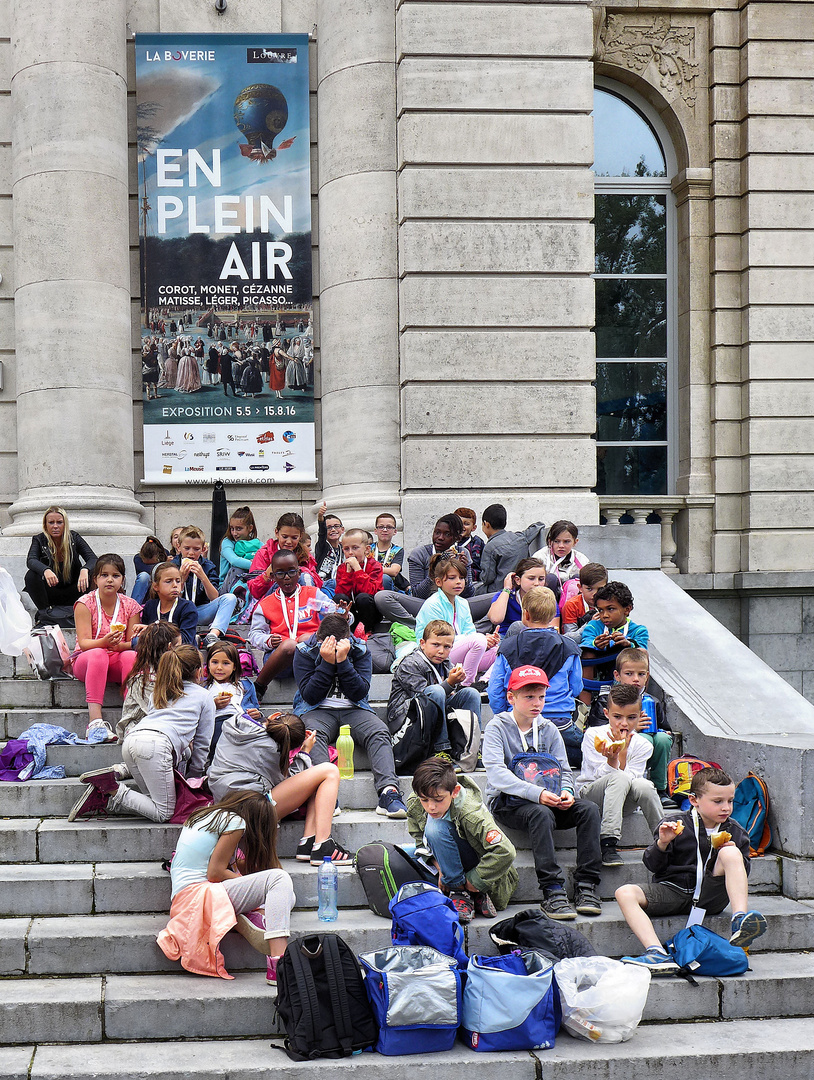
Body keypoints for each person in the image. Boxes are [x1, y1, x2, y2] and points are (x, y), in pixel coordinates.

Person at [617, 766, 767, 974]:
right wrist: (662, 843)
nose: (726, 808)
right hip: (673, 890)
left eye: (730, 801)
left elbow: (742, 873)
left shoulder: (735, 831)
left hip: (710, 896)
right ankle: (656, 952)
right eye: (718, 801)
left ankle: (739, 919)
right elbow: (652, 865)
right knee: (624, 892)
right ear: (694, 800)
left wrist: (732, 854)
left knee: (732, 855)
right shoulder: (673, 824)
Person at [482, 665, 602, 920]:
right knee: (540, 813)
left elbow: (564, 769)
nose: (537, 703)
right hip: (509, 803)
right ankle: (552, 890)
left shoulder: (548, 728)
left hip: (549, 800)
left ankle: (587, 886)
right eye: (529, 697)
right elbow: (496, 774)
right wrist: (536, 794)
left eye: (541, 697)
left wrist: (567, 791)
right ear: (511, 697)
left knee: (588, 809)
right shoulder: (497, 727)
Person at [160, 791, 296, 984]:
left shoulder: (205, 814)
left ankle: (248, 916)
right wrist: (242, 879)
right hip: (200, 896)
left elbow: (224, 862)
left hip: (188, 897)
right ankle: (279, 962)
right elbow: (215, 872)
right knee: (279, 879)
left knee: (287, 895)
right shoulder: (235, 822)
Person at [69, 644, 214, 823]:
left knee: (152, 801)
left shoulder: (159, 691)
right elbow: (202, 742)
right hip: (155, 747)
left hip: (132, 741)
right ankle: (111, 788)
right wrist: (195, 775)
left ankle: (107, 799)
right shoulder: (204, 696)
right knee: (164, 813)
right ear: (198, 671)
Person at [293, 613, 408, 818]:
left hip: (354, 708)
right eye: (325, 643)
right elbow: (310, 696)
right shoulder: (304, 651)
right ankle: (325, 794)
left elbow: (360, 692)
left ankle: (388, 792)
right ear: (318, 637)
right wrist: (327, 663)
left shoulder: (361, 650)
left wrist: (344, 662)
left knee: (379, 731)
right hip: (317, 710)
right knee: (311, 735)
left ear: (348, 639)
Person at [207, 710, 351, 864]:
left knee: (316, 779)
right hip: (250, 812)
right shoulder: (272, 750)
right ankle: (323, 843)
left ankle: (308, 841)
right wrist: (304, 752)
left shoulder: (234, 723)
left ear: (275, 716)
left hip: (224, 804)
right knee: (329, 771)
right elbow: (286, 782)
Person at [407, 757, 518, 922]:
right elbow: (420, 843)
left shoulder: (471, 813)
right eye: (425, 800)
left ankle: (461, 891)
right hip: (448, 865)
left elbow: (506, 851)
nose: (431, 806)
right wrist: (440, 867)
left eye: (438, 800)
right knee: (405, 854)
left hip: (480, 868)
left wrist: (475, 880)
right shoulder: (416, 803)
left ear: (455, 792)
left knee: (435, 828)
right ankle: (473, 895)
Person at [488, 586, 583, 768]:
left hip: (518, 725)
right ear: (552, 616)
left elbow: (495, 690)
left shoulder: (507, 646)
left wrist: (505, 715)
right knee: (592, 754)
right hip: (561, 724)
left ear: (525, 615)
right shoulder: (569, 647)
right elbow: (577, 687)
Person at [576, 683, 664, 867]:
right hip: (592, 796)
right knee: (619, 777)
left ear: (640, 716)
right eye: (617, 717)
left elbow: (632, 780)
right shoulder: (593, 735)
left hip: (623, 800)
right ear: (607, 714)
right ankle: (608, 842)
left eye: (631, 718)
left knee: (645, 785)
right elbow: (597, 777)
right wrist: (612, 759)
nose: (624, 724)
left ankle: (664, 837)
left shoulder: (643, 745)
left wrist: (621, 753)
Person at [387, 619, 482, 762]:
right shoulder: (410, 663)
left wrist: (455, 682)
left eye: (447, 647)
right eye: (435, 645)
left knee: (471, 694)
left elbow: (447, 693)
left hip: (434, 711)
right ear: (422, 643)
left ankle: (471, 748)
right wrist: (450, 683)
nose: (441, 651)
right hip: (405, 716)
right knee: (436, 691)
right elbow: (424, 699)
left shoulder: (445, 662)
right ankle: (440, 749)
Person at [375, 514, 492, 626]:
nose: (440, 538)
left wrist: (464, 574)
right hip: (426, 606)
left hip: (457, 606)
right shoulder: (420, 554)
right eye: (437, 532)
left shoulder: (462, 553)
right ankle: (421, 626)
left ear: (457, 537)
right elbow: (417, 594)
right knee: (382, 597)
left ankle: (470, 628)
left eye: (447, 534)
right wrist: (433, 571)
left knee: (502, 596)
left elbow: (468, 594)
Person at [72, 554, 142, 742]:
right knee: (98, 654)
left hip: (117, 659)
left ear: (123, 579)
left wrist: (117, 645)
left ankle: (131, 720)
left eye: (116, 575)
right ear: (95, 579)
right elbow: (84, 643)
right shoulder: (85, 603)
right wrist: (104, 643)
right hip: (87, 661)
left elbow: (132, 644)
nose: (110, 580)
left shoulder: (131, 606)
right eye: (104, 575)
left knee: (130, 657)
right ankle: (95, 723)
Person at [248, 549, 332, 698]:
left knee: (306, 638)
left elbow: (337, 614)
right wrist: (267, 641)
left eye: (291, 572)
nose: (287, 577)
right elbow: (254, 634)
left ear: (299, 573)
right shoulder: (266, 604)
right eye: (280, 573)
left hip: (311, 656)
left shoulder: (313, 594)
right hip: (280, 661)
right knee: (289, 645)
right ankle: (259, 686)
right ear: (273, 577)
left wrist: (344, 614)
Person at [415, 555, 499, 687]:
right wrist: (480, 638)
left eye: (461, 578)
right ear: (438, 582)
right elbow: (440, 639)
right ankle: (466, 684)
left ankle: (484, 682)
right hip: (437, 653)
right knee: (478, 640)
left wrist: (488, 641)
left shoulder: (463, 603)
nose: (459, 582)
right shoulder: (433, 604)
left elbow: (469, 632)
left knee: (500, 651)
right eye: (452, 578)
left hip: (457, 652)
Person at [24, 506, 96, 619]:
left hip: (75, 589)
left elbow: (93, 559)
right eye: (51, 522)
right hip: (51, 592)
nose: (55, 526)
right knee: (31, 575)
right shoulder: (39, 539)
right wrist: (45, 570)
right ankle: (45, 613)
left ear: (65, 524)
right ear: (45, 525)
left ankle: (88, 610)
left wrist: (85, 569)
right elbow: (31, 560)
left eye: (59, 522)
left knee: (93, 574)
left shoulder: (74, 538)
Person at [173, 526, 239, 646]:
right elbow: (171, 599)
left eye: (196, 549)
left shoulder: (208, 566)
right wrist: (181, 579)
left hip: (200, 611)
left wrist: (202, 576)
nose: (191, 553)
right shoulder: (172, 566)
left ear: (203, 549)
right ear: (178, 547)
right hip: (178, 613)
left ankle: (213, 634)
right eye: (187, 548)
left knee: (230, 598)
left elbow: (214, 597)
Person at [204, 640, 261, 755]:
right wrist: (213, 705)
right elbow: (199, 712)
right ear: (208, 664)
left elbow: (254, 706)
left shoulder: (245, 685)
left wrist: (257, 714)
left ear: (234, 666)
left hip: (242, 721)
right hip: (218, 723)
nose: (219, 667)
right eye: (214, 662)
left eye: (225, 663)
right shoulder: (205, 689)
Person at [248, 513, 321, 600]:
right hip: (272, 600)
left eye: (294, 538)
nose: (289, 541)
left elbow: (318, 584)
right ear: (277, 533)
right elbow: (254, 591)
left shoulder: (304, 555)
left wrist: (300, 570)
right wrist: (267, 575)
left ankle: (309, 611)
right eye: (285, 537)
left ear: (300, 536)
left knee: (306, 577)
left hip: (299, 600)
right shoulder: (264, 554)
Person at [580, 581, 649, 674]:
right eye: (600, 610)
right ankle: (585, 688)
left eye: (610, 609)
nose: (604, 615)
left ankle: (637, 689)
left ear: (627, 609)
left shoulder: (638, 631)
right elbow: (585, 642)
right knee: (588, 652)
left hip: (625, 678)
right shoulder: (593, 626)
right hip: (598, 673)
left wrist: (628, 644)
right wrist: (595, 644)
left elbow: (642, 649)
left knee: (641, 652)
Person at [486, 557, 553, 638]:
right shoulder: (506, 595)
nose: (536, 583)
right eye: (531, 578)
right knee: (518, 626)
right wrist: (507, 589)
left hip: (538, 639)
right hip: (508, 640)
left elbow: (554, 629)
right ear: (518, 580)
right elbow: (495, 619)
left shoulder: (547, 598)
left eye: (541, 579)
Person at [137, 560, 200, 645]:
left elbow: (185, 640)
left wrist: (153, 630)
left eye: (178, 581)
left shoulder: (187, 607)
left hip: (181, 655)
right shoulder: (150, 606)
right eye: (169, 581)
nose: (175, 585)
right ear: (156, 586)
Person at [334, 528, 383, 634]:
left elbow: (371, 592)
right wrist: (348, 573)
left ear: (367, 550)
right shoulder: (342, 568)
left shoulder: (375, 566)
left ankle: (367, 631)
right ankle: (346, 629)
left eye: (355, 548)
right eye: (346, 549)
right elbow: (340, 593)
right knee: (339, 598)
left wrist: (358, 570)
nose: (350, 552)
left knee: (363, 597)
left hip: (370, 611)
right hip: (351, 611)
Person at [479, 503, 529, 594]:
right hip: (520, 586)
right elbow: (538, 526)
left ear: (486, 524)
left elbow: (487, 579)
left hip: (498, 590)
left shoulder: (490, 547)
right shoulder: (520, 538)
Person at [561, 562, 608, 642]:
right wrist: (591, 624)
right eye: (589, 589)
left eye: (600, 589)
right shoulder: (571, 605)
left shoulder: (610, 603)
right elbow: (569, 639)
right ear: (580, 588)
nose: (595, 594)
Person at [533, 520, 590, 586]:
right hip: (545, 594)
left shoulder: (582, 560)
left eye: (566, 542)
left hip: (572, 595)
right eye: (556, 541)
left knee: (578, 578)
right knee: (551, 578)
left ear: (575, 542)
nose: (561, 546)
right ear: (550, 541)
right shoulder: (540, 557)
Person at [218, 506, 260, 594]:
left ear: (250, 528)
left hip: (249, 583)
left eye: (238, 529)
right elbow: (234, 560)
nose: (234, 533)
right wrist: (254, 565)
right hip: (226, 589)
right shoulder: (227, 542)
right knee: (237, 569)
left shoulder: (257, 543)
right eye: (232, 528)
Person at [371, 512, 405, 591]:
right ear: (376, 531)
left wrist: (371, 569)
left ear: (395, 531)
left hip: (388, 586)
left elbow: (394, 571)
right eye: (381, 527)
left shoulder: (397, 550)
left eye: (389, 527)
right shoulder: (368, 548)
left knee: (384, 578)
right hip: (369, 583)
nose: (385, 530)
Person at [131, 535, 168, 606]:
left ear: (158, 557)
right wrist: (163, 564)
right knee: (144, 576)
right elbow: (154, 571)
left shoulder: (164, 554)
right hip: (146, 591)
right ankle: (133, 607)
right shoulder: (137, 558)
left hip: (161, 588)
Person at [314, 503, 344, 586]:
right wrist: (320, 519)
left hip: (341, 584)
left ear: (342, 529)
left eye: (336, 526)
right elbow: (322, 534)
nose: (333, 530)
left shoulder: (344, 548)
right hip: (323, 584)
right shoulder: (322, 546)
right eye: (329, 527)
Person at [454, 507, 484, 581]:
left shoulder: (478, 543)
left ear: (474, 528)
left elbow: (484, 567)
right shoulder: (448, 542)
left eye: (466, 524)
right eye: (459, 523)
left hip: (474, 583)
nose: (462, 526)